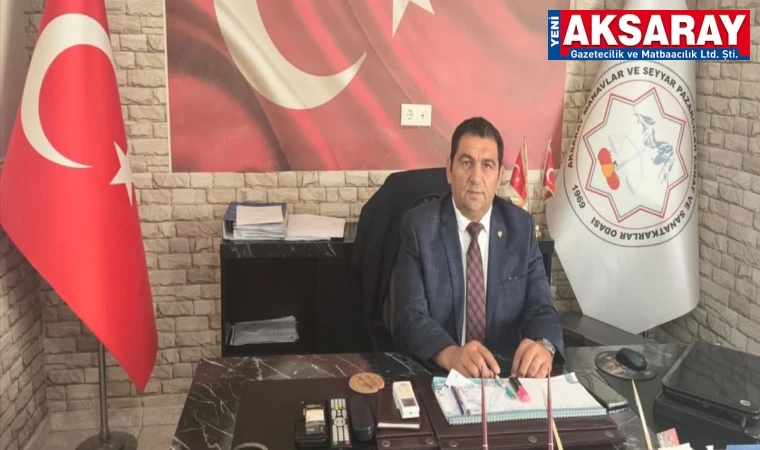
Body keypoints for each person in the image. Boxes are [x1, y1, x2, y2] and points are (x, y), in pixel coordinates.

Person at [392, 117, 564, 379]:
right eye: (466, 162)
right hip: (442, 373)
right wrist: (451, 354)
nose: (476, 178)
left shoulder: (521, 228)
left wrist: (544, 346)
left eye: (487, 165)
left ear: (499, 177)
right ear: (449, 170)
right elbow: (410, 314)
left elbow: (541, 308)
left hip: (506, 375)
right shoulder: (419, 227)